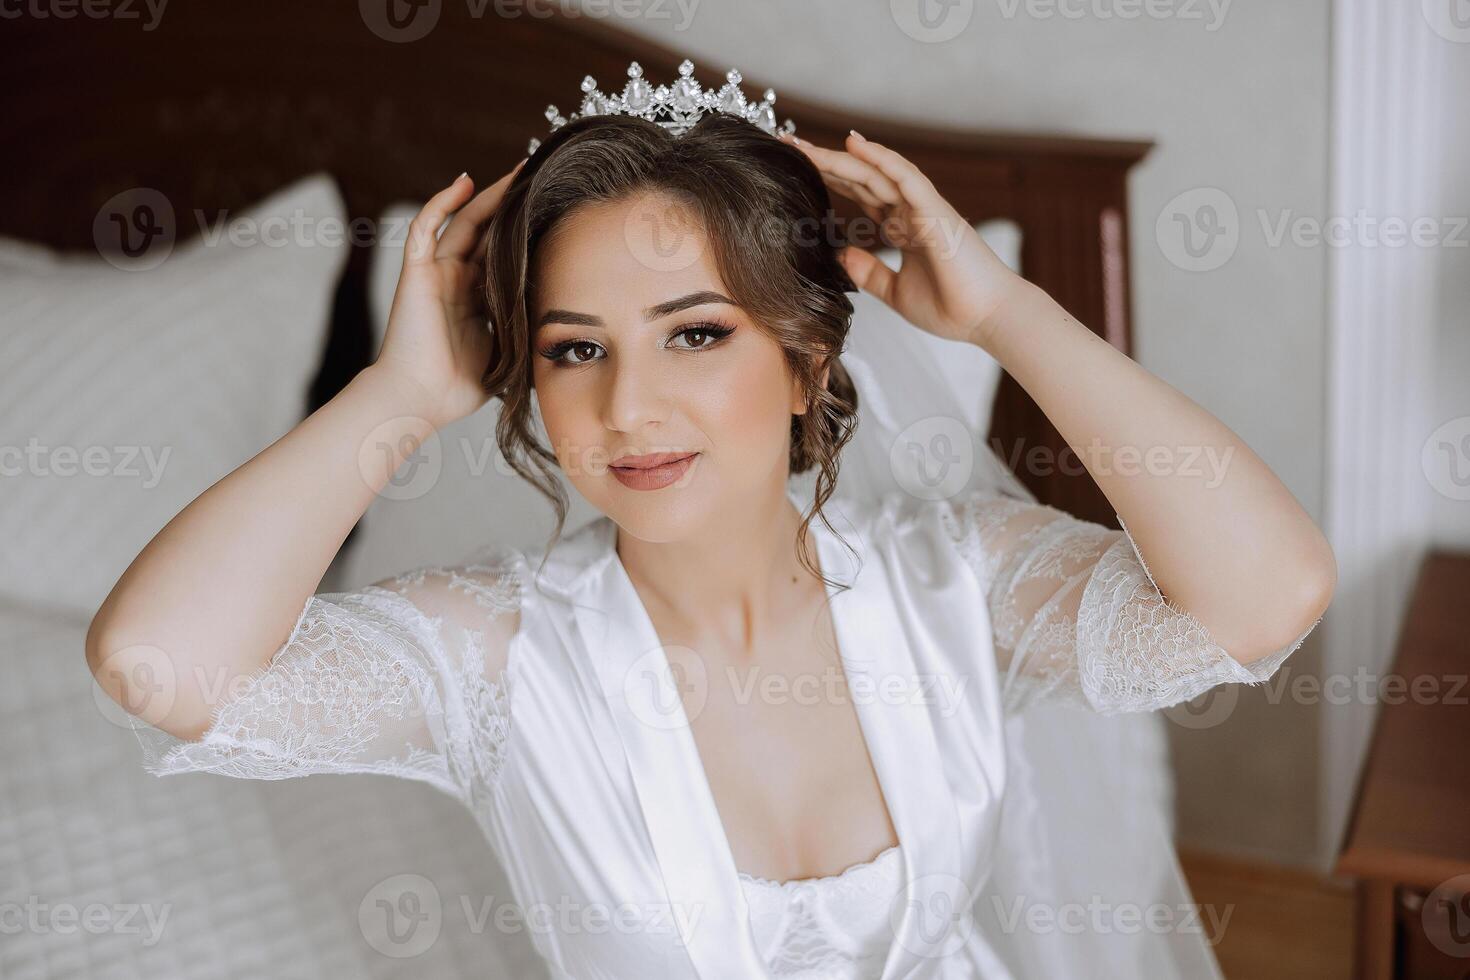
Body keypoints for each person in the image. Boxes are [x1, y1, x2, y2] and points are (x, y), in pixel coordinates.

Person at [87, 88, 1335, 979]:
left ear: (805, 364)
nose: (629, 406)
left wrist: (1004, 313)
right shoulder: (501, 654)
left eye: (695, 332)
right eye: (577, 348)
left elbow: (1266, 592)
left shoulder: (956, 583)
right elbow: (156, 666)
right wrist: (400, 396)